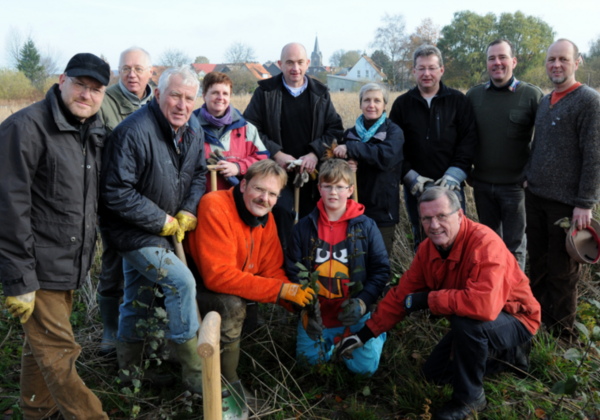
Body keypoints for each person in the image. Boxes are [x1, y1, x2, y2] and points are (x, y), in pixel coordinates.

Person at [336, 187, 540, 420]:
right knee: (433, 374)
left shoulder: (485, 244)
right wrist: (364, 334)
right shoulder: (427, 250)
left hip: (516, 318)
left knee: (466, 323)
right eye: (427, 218)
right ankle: (509, 356)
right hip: (478, 323)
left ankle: (470, 399)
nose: (434, 225)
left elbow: (484, 305)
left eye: (441, 216)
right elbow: (402, 296)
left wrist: (428, 300)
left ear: (460, 215)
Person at [0, 53, 110, 420]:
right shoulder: (24, 128)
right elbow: (8, 207)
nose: (86, 94)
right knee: (61, 354)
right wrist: (19, 280)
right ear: (62, 80)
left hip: (68, 265)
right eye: (80, 84)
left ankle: (37, 413)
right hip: (37, 268)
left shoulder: (91, 131)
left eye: (96, 89)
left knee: (41, 349)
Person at [100, 66, 207, 393]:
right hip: (132, 233)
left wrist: (188, 209)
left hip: (165, 230)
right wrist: (161, 220)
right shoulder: (133, 131)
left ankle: (130, 374)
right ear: (157, 94)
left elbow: (199, 173)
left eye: (189, 98)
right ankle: (195, 374)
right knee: (181, 282)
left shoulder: (193, 129)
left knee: (138, 298)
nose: (182, 104)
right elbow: (117, 191)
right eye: (175, 95)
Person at [186, 159, 316, 397]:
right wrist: (280, 291)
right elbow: (218, 276)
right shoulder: (215, 205)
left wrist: (294, 302)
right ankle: (227, 382)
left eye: (272, 194)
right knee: (233, 305)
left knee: (242, 303)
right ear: (244, 185)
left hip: (230, 286)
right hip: (196, 291)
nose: (264, 198)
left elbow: (273, 270)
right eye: (259, 189)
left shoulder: (267, 219)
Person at [522, 39, 600, 340]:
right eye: (551, 59)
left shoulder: (588, 101)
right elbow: (538, 145)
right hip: (536, 196)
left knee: (563, 271)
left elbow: (594, 156)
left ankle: (562, 335)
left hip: (567, 204)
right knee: (538, 263)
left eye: (563, 59)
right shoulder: (545, 100)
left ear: (576, 62)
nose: (556, 65)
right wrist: (529, 175)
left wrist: (585, 202)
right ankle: (536, 324)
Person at [285, 159, 389, 375]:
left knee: (363, 370)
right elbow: (293, 271)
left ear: (350, 190)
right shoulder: (303, 228)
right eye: (328, 186)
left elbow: (380, 270)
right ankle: (327, 339)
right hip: (319, 315)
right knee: (308, 366)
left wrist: (362, 303)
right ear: (319, 189)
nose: (334, 192)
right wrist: (305, 311)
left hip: (353, 314)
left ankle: (376, 334)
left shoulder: (366, 226)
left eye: (340, 187)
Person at [244, 42, 344, 250]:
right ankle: (284, 268)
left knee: (313, 220)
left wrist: (315, 153)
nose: (295, 68)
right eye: (289, 62)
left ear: (307, 64)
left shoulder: (321, 94)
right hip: (275, 171)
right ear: (280, 64)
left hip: (312, 172)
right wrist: (276, 153)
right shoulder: (265, 92)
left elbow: (335, 129)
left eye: (299, 62)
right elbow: (250, 128)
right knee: (281, 211)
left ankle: (310, 269)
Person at [390, 45, 477, 251]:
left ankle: (455, 284)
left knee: (456, 241)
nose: (426, 73)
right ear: (414, 71)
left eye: (431, 68)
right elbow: (394, 148)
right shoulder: (402, 105)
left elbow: (469, 141)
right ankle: (427, 283)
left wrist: (454, 175)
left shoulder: (458, 101)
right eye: (421, 68)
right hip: (416, 190)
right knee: (423, 241)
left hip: (452, 188)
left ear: (441, 70)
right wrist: (410, 177)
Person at [97, 46, 154, 355]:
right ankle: (109, 330)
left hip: (153, 201)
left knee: (149, 265)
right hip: (116, 199)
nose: (132, 74)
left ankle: (140, 331)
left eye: (138, 69)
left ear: (150, 72)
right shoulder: (104, 103)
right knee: (113, 263)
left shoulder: (161, 100)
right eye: (125, 68)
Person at [466, 39, 543, 272]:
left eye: (502, 57)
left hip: (515, 188)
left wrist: (531, 174)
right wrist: (467, 170)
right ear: (487, 63)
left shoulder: (531, 95)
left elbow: (543, 140)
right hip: (481, 186)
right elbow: (464, 136)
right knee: (489, 245)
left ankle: (515, 300)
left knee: (515, 247)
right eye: (492, 58)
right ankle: (494, 297)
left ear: (514, 61)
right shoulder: (474, 96)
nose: (497, 63)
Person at [334, 82, 404, 259]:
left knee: (380, 262)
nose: (371, 105)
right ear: (360, 104)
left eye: (377, 101)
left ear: (384, 105)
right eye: (366, 100)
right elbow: (336, 168)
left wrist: (352, 149)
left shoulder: (393, 132)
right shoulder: (349, 134)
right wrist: (345, 166)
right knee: (355, 260)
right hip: (353, 208)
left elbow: (385, 156)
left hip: (383, 210)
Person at [194, 71, 269, 190]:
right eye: (215, 93)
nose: (220, 98)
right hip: (202, 202)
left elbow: (263, 160)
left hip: (238, 200)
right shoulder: (190, 129)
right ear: (204, 96)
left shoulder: (247, 128)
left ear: (230, 97)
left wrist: (238, 167)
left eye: (225, 93)